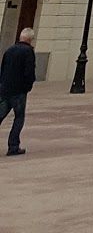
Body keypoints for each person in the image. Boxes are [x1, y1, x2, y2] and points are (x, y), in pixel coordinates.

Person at [0, 29, 35, 157]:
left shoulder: (9, 50)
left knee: (1, 115)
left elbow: (2, 69)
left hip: (5, 89)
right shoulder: (28, 51)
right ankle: (13, 146)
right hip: (19, 91)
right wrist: (28, 86)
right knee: (19, 117)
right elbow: (29, 72)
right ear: (30, 39)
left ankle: (13, 146)